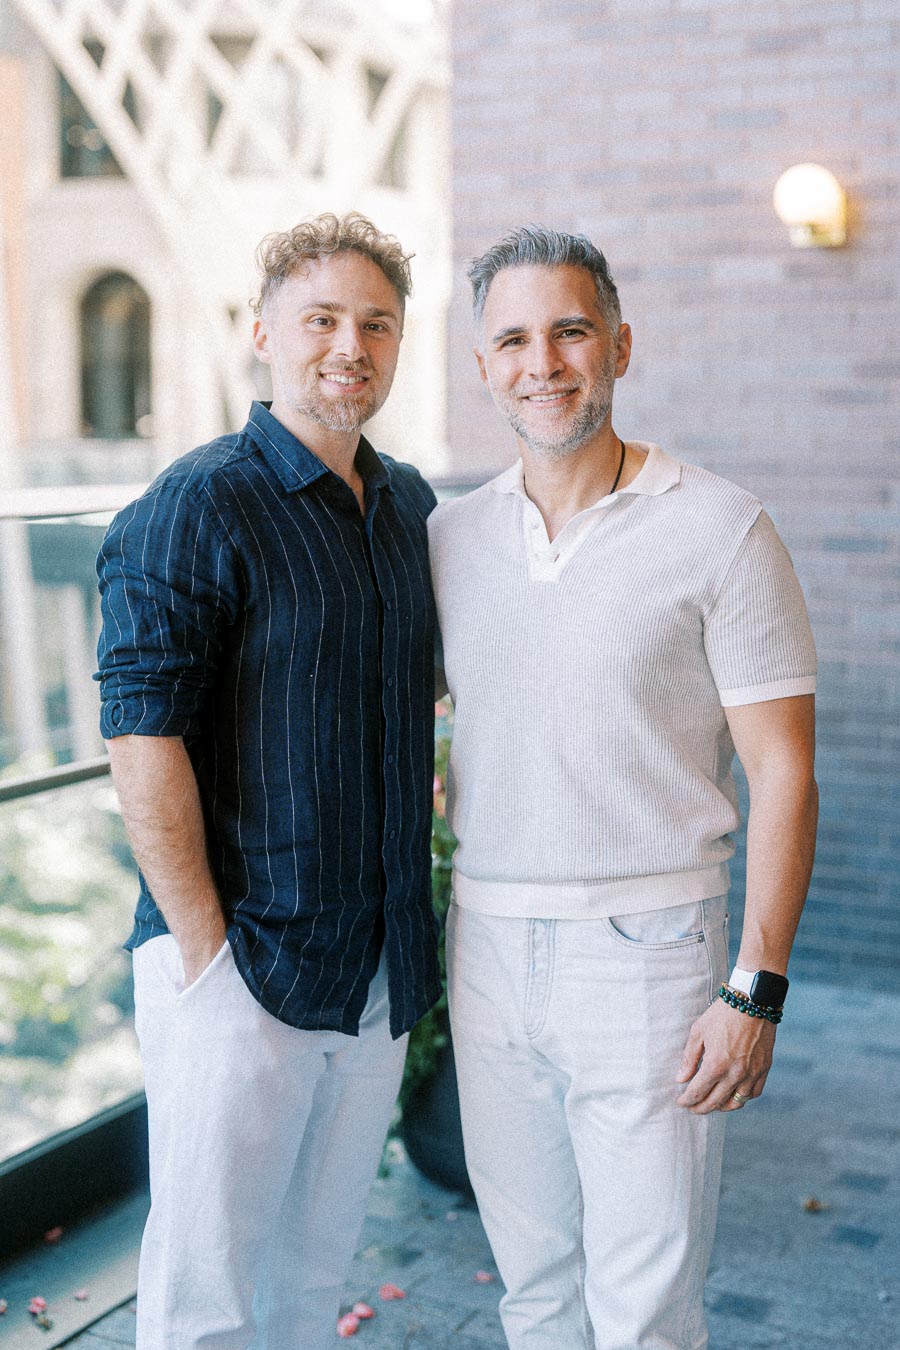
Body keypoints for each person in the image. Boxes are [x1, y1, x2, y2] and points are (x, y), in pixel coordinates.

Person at [428, 225, 818, 1350]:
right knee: (535, 1290)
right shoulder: (450, 539)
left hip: (652, 953)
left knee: (643, 1307)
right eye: (512, 338)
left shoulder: (723, 529)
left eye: (569, 331)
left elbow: (784, 768)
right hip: (488, 945)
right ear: (483, 364)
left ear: (621, 345)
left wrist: (757, 988)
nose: (541, 362)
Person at [96, 212, 441, 1350]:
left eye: (376, 324)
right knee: (205, 1301)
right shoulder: (198, 504)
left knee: (308, 1283)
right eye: (323, 320)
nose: (351, 345)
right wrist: (206, 958)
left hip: (376, 969)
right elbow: (142, 737)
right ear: (263, 335)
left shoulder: (406, 507)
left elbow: (421, 697)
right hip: (242, 965)